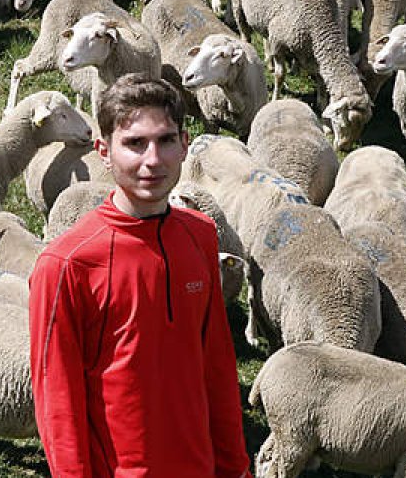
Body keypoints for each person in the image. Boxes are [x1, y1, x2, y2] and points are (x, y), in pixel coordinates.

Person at [29, 73, 251, 477]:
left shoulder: (200, 235)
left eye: (165, 140)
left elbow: (216, 366)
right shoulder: (66, 264)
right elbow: (57, 402)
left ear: (185, 146)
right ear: (104, 151)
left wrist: (236, 468)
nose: (153, 160)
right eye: (134, 143)